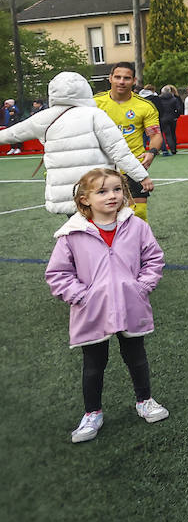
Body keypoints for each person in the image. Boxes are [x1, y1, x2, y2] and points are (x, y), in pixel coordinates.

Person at [45, 167, 169, 443]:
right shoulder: (72, 233)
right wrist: (82, 296)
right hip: (92, 311)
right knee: (93, 363)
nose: (111, 196)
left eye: (116, 189)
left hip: (130, 305)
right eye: (102, 191)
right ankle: (92, 413)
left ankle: (144, 400)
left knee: (136, 357)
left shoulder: (137, 226)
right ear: (85, 199)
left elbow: (153, 259)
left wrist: (142, 287)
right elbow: (58, 274)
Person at [0, 72, 154, 214]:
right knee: (104, 233)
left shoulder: (42, 117)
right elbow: (119, 151)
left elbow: (11, 134)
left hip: (66, 194)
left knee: (78, 235)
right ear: (85, 90)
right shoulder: (96, 115)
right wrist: (141, 176)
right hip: (98, 190)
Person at [94, 62, 162, 222]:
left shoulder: (145, 106)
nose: (121, 81)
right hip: (102, 167)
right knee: (105, 216)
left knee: (138, 215)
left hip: (133, 166)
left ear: (134, 80)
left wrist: (152, 152)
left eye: (126, 78)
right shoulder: (94, 103)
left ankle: (138, 245)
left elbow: (155, 135)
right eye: (117, 77)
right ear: (110, 78)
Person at [157, 84, 184, 155]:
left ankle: (169, 148)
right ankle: (173, 149)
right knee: (173, 133)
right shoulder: (174, 99)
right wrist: (176, 116)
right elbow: (178, 109)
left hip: (163, 118)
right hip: (172, 118)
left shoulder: (159, 99)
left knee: (167, 134)